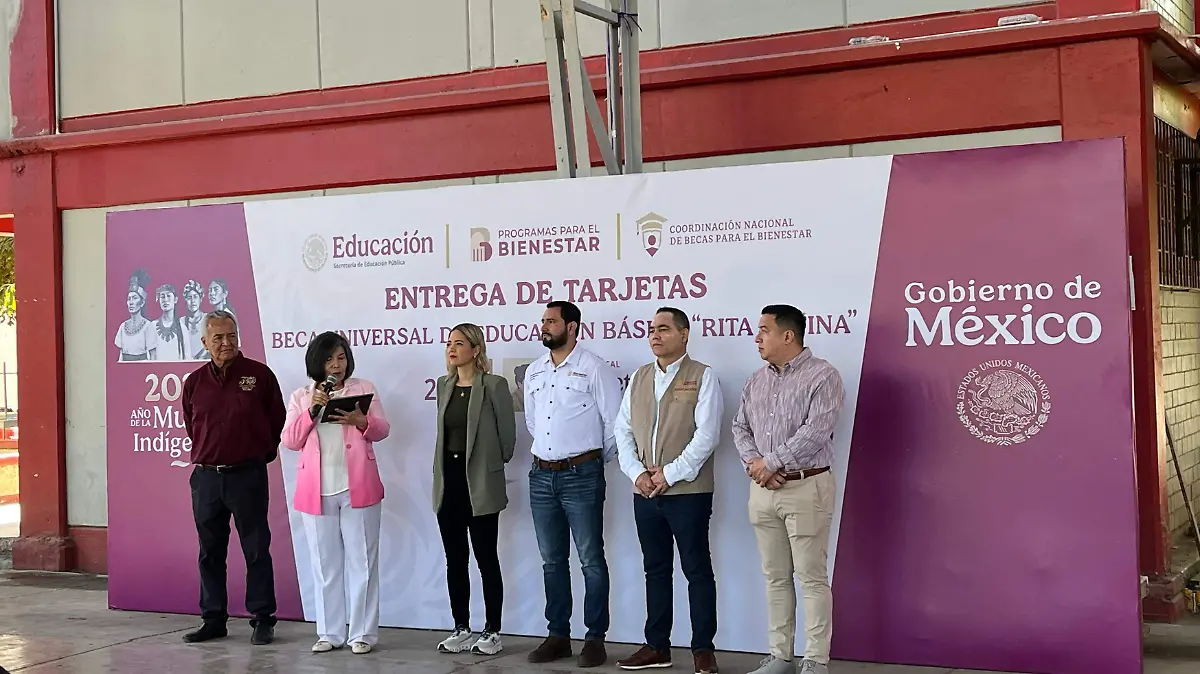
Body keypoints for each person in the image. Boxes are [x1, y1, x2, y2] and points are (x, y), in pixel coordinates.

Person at [732, 305, 845, 674]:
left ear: (788, 335)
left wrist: (771, 463)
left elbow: (816, 431)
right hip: (763, 490)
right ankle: (780, 656)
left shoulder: (823, 375)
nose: (757, 338)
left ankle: (815, 660)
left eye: (764, 330)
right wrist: (757, 465)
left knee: (811, 577)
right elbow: (740, 428)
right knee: (775, 577)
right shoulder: (756, 380)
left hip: (806, 486)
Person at [614, 307, 723, 674]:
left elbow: (707, 435)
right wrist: (637, 473)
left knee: (697, 570)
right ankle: (657, 646)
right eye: (651, 330)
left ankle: (703, 649)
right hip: (645, 492)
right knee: (656, 571)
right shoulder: (639, 377)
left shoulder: (703, 376)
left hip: (688, 493)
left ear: (684, 334)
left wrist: (670, 475)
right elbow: (622, 431)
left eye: (664, 329)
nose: (655, 336)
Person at [524, 300, 622, 668]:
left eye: (552, 321)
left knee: (590, 559)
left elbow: (614, 424)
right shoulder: (535, 371)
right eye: (543, 321)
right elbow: (533, 422)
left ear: (573, 327)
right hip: (541, 475)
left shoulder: (594, 368)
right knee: (552, 561)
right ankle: (558, 636)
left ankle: (595, 639)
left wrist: (589, 462)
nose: (544, 327)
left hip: (581, 476)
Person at [180, 310, 286, 646]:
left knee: (256, 549)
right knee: (209, 552)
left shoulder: (259, 376)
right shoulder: (194, 382)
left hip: (247, 476)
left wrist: (258, 454)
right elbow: (192, 425)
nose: (226, 343)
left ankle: (263, 618)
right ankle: (213, 619)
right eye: (218, 338)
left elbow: (277, 420)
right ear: (204, 342)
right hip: (206, 479)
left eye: (231, 336)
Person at [281, 331, 390, 655]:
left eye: (341, 358)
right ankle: (329, 632)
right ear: (317, 362)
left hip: (358, 487)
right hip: (317, 491)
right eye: (329, 359)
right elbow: (290, 440)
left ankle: (362, 634)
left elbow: (383, 429)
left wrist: (362, 421)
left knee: (363, 563)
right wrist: (311, 411)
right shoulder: (302, 396)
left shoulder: (364, 389)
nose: (336, 365)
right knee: (325, 565)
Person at [431, 323, 516, 656]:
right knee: (455, 559)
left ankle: (492, 631)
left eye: (459, 343)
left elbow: (507, 437)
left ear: (476, 349)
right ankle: (461, 627)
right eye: (449, 343)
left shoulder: (494, 385)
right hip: (448, 483)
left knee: (486, 558)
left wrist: (489, 464)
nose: (451, 349)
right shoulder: (444, 385)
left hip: (480, 483)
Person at [115, 270, 158, 361]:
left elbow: (153, 356)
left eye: (134, 298)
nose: (131, 302)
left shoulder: (148, 326)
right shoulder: (123, 327)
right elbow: (120, 356)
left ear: (142, 303)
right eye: (129, 299)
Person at [152, 283, 189, 361]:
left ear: (175, 300)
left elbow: (187, 357)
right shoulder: (152, 326)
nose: (165, 300)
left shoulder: (182, 328)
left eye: (168, 296)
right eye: (162, 297)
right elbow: (151, 358)